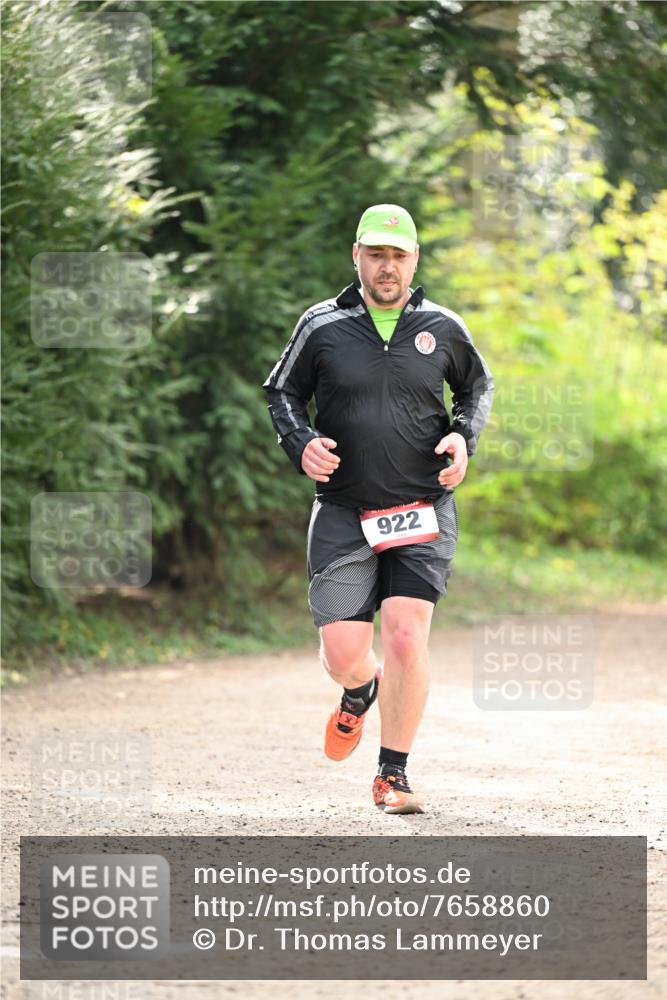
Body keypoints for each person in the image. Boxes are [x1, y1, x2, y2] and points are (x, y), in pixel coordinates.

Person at [263, 204, 494, 814]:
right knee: (342, 652)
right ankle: (360, 691)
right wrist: (301, 442)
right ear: (358, 256)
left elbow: (477, 386)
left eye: (398, 255)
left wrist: (462, 437)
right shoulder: (322, 326)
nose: (387, 267)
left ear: (413, 260)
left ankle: (393, 776)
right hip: (343, 510)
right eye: (376, 254)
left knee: (405, 635)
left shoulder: (442, 327)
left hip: (423, 506)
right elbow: (282, 391)